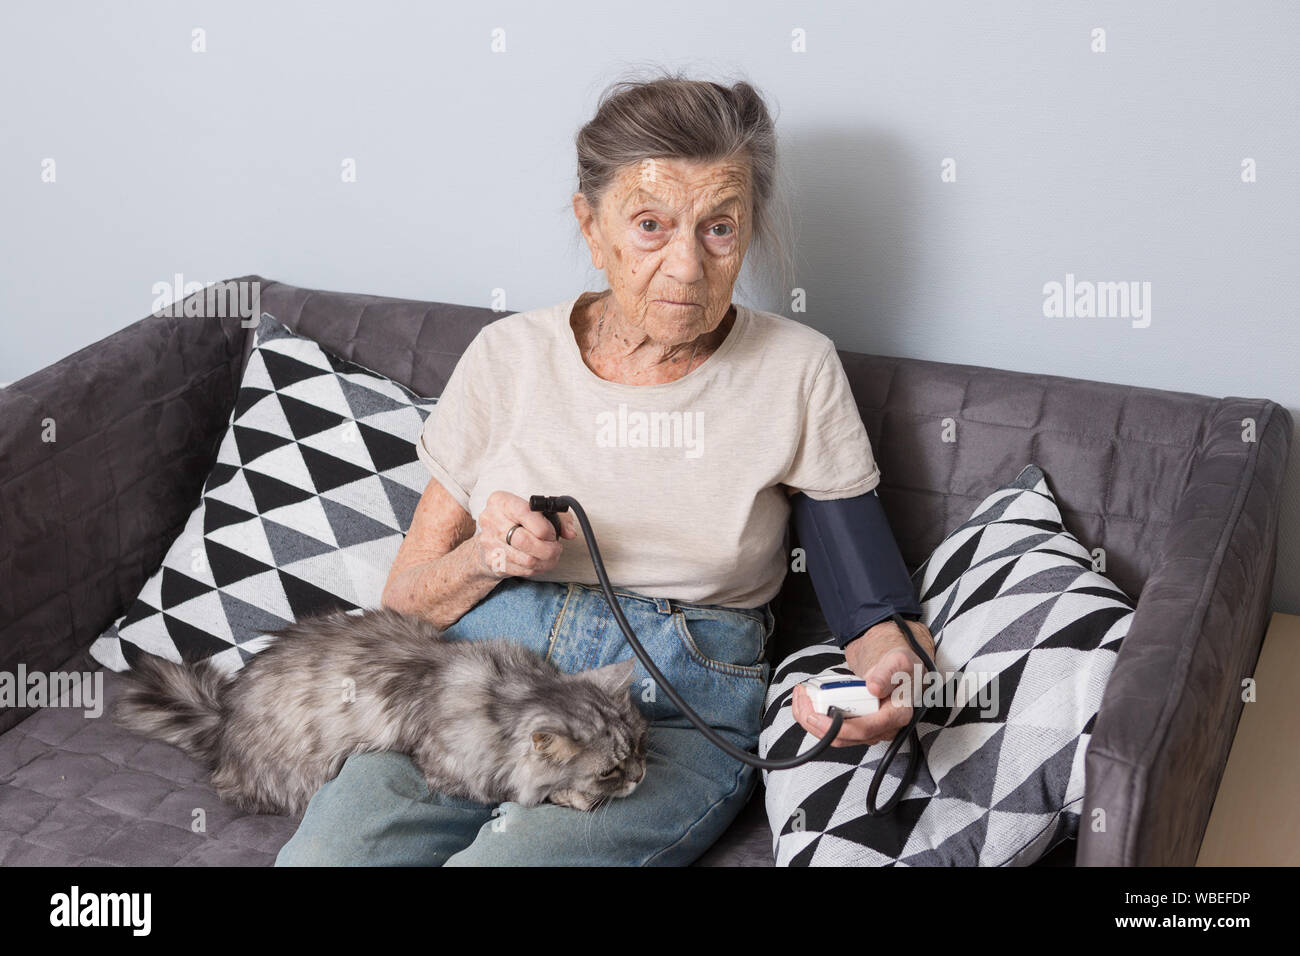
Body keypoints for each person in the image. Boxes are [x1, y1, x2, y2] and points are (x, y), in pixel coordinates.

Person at [275, 71, 933, 867]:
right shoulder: (508, 356)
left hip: (667, 713)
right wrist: (490, 557)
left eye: (719, 229)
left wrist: (897, 679)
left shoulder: (797, 371)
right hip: (472, 700)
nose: (688, 268)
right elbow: (404, 600)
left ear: (749, 229)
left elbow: (872, 611)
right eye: (651, 225)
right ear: (592, 226)